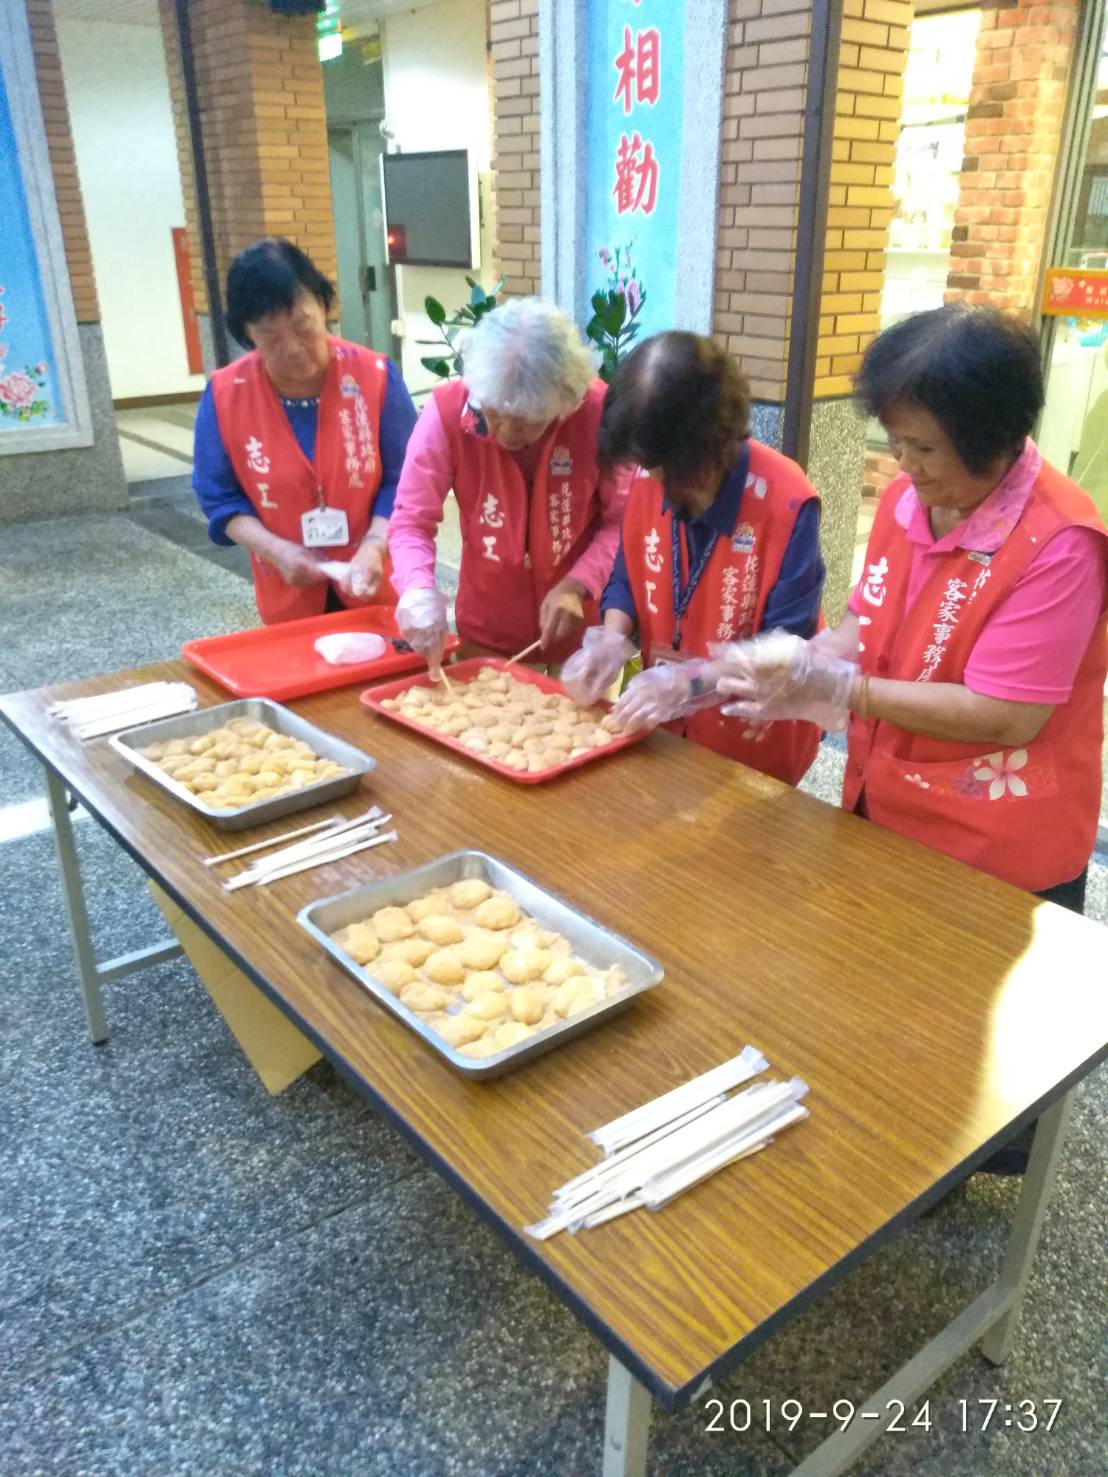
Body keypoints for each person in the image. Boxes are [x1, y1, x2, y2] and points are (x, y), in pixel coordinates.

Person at [717, 304, 1108, 912]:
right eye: (896, 439)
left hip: (995, 850)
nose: (903, 462)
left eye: (924, 446)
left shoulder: (1060, 543)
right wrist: (803, 664)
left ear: (995, 443)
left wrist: (844, 688)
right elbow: (866, 619)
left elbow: (1005, 715)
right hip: (886, 804)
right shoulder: (908, 498)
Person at [561, 331, 825, 786]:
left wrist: (693, 681)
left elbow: (788, 644)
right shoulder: (650, 472)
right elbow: (628, 574)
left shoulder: (786, 500)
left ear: (711, 444)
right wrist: (611, 638)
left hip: (751, 745)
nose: (654, 479)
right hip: (666, 733)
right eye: (648, 465)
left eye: (667, 468)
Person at [387, 297, 629, 673]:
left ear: (565, 403)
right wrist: (417, 589)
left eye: (528, 420)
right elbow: (411, 521)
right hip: (487, 629)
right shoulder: (448, 412)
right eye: (496, 414)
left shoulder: (597, 412)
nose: (507, 432)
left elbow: (624, 522)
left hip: (579, 635)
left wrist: (578, 583)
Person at [192, 238, 417, 624]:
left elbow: (406, 480)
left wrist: (375, 544)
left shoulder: (375, 377)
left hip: (375, 581)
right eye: (271, 336)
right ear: (247, 334)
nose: (294, 349)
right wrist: (274, 550)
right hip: (286, 589)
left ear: (323, 306)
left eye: (303, 327)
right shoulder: (226, 394)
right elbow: (219, 498)